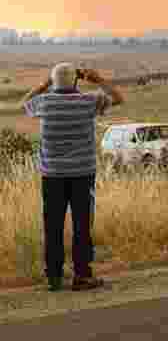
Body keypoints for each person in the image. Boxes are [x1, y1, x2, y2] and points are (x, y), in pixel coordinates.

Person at [23, 64, 123, 292]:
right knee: (82, 225)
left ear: (55, 82)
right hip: (82, 175)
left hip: (52, 177)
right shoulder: (88, 101)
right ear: (75, 82)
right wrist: (97, 78)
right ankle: (82, 275)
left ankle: (54, 278)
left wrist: (45, 83)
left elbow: (25, 102)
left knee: (53, 226)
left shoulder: (45, 103)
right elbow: (118, 98)